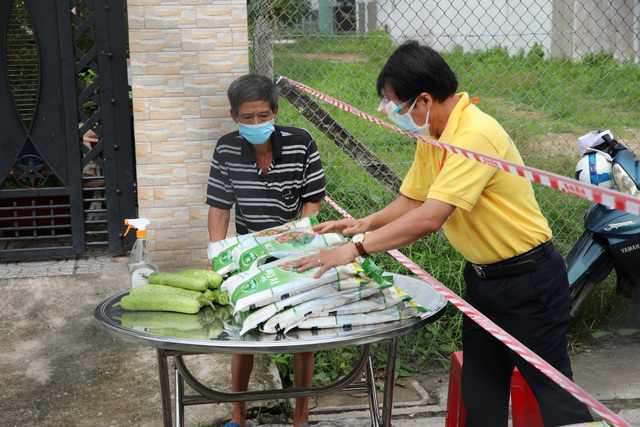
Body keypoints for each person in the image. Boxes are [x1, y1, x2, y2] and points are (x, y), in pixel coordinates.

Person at [295, 41, 594, 426]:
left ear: (424, 99)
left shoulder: (474, 135)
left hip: (528, 283)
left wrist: (356, 249)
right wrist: (364, 223)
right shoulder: (434, 134)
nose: (394, 115)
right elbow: (414, 199)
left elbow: (429, 219)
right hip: (484, 282)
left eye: (397, 106)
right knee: (481, 397)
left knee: (557, 400)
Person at [206, 74, 326, 427]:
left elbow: (313, 202)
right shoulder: (226, 149)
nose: (256, 123)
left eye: (263, 115)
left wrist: (295, 242)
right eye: (247, 117)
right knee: (244, 331)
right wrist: (217, 255)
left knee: (304, 331)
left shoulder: (301, 143)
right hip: (245, 253)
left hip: (294, 250)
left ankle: (300, 417)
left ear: (275, 111)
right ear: (234, 116)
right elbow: (218, 207)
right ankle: (238, 414)